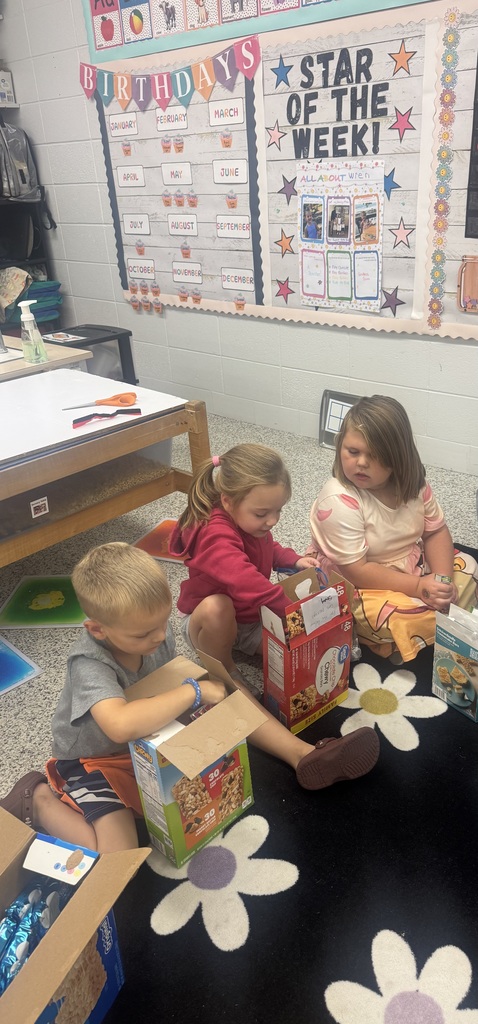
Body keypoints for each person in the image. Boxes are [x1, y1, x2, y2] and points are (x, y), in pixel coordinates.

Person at [1, 543, 379, 850]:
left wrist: (210, 696)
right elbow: (118, 725)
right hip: (95, 759)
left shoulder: (152, 633)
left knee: (229, 700)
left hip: (148, 736)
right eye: (142, 634)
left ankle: (303, 755)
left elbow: (168, 680)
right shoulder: (88, 663)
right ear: (97, 629)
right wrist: (194, 692)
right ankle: (37, 800)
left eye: (163, 623)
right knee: (116, 858)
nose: (159, 638)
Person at [308, 395, 478, 663]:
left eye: (374, 456)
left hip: (409, 567)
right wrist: (419, 587)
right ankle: (397, 636)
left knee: (468, 565)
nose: (361, 462)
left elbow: (435, 531)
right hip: (361, 582)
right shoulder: (338, 500)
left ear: (398, 459)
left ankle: (423, 624)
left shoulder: (413, 486)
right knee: (390, 616)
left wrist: (442, 581)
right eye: (353, 452)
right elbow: (358, 570)